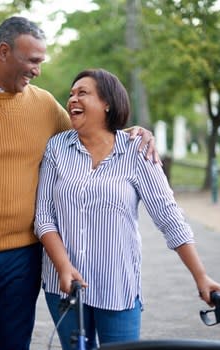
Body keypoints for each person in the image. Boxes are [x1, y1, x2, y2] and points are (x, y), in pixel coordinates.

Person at [0, 17, 158, 350]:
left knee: (14, 345)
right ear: (3, 52)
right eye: (32, 61)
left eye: (41, 62)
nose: (37, 71)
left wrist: (133, 134)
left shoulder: (43, 105)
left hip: (23, 259)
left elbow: (89, 131)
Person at [34, 68, 220, 350]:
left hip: (117, 286)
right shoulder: (57, 148)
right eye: (71, 94)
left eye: (82, 93)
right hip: (63, 285)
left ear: (107, 102)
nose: (72, 99)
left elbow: (169, 217)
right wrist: (63, 266)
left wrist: (200, 276)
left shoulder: (137, 151)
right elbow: (44, 216)